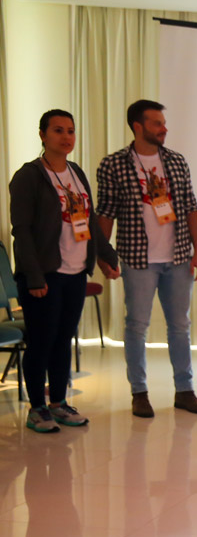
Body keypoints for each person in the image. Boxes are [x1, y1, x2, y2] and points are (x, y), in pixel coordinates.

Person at [9, 109, 120, 432]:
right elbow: (22, 231)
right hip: (43, 274)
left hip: (75, 272)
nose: (66, 137)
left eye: (70, 131)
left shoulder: (76, 172)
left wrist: (107, 255)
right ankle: (37, 409)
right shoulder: (29, 176)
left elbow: (89, 220)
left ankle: (58, 403)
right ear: (42, 135)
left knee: (63, 341)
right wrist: (33, 275)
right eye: (58, 130)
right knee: (41, 342)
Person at [95, 99, 197, 418]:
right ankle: (139, 393)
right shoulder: (113, 164)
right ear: (138, 126)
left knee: (180, 327)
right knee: (136, 326)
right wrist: (103, 255)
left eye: (163, 123)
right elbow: (106, 212)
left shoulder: (176, 161)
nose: (164, 128)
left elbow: (191, 207)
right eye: (157, 123)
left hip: (177, 258)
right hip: (137, 259)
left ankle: (185, 391)